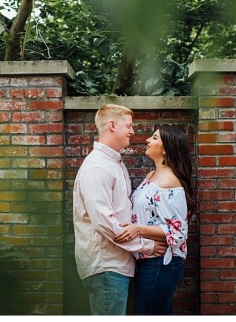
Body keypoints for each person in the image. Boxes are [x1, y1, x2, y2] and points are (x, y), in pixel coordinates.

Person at [73, 104, 167, 315]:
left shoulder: (114, 162)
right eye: (129, 126)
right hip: (106, 265)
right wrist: (147, 246)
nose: (133, 131)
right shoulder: (98, 167)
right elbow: (104, 223)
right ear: (112, 125)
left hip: (117, 264)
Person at [115, 124, 195, 315]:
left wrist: (138, 230)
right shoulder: (152, 175)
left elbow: (178, 234)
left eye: (154, 137)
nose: (148, 140)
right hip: (148, 259)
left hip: (162, 262)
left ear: (165, 148)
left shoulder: (170, 182)